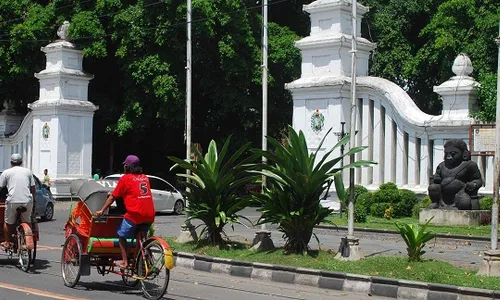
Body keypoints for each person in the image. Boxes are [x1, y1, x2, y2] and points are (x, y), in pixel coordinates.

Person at [96, 155, 155, 269]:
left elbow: (113, 197)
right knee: (141, 237)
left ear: (127, 167)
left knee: (121, 236)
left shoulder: (125, 179)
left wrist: (102, 210)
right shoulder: (145, 178)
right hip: (149, 215)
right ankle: (140, 259)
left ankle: (125, 261)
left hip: (135, 215)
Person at [0, 154, 36, 249]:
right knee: (27, 221)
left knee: (8, 223)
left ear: (11, 162)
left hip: (12, 201)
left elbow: (0, 187)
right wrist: (34, 201)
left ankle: (7, 242)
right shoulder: (28, 172)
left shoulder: (6, 172)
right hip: (27, 200)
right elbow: (33, 189)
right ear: (21, 162)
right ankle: (26, 237)